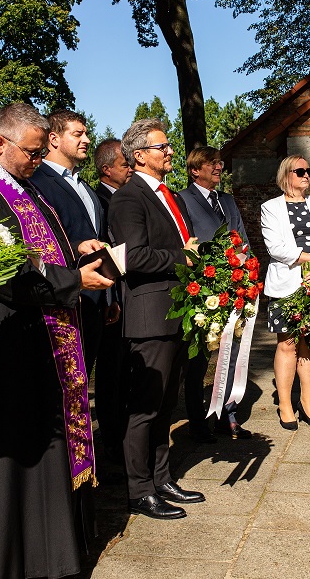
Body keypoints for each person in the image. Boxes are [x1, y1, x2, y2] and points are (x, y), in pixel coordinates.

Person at [0, 103, 113, 577]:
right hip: (2, 341)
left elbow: (40, 247)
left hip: (35, 335)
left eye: (39, 153)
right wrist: (75, 282)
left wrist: (75, 250)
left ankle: (47, 551)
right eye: (32, 153)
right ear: (0, 145)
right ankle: (13, 557)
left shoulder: (26, 185)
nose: (38, 161)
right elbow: (7, 276)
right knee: (14, 455)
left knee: (41, 446)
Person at [108, 118, 204, 520]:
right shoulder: (129, 198)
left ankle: (162, 478)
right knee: (145, 407)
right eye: (162, 146)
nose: (170, 152)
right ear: (139, 155)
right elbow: (132, 257)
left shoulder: (172, 196)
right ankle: (139, 490)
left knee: (166, 404)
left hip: (177, 312)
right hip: (150, 314)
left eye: (169, 145)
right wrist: (184, 258)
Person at [179, 146, 253, 442]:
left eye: (220, 162)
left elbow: (242, 240)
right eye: (211, 163)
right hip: (203, 290)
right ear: (195, 170)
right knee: (198, 361)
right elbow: (187, 243)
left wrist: (245, 272)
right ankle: (198, 421)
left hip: (234, 287)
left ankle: (227, 416)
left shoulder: (228, 200)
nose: (219, 167)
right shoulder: (183, 200)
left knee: (232, 354)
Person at [261, 155, 310, 431]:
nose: (307, 175)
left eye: (309, 170)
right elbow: (276, 248)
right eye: (301, 171)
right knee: (288, 344)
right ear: (287, 175)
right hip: (286, 285)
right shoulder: (270, 207)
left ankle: (308, 404)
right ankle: (285, 406)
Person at [32, 110, 112, 377]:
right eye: (78, 134)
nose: (87, 139)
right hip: (62, 302)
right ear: (53, 139)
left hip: (94, 304)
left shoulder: (86, 187)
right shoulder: (36, 182)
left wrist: (108, 297)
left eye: (86, 133)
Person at [91, 138, 132, 464]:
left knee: (125, 374)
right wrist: (109, 297)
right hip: (110, 299)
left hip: (127, 297)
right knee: (111, 377)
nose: (130, 168)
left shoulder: (124, 197)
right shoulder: (100, 201)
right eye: (124, 164)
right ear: (106, 170)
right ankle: (113, 447)